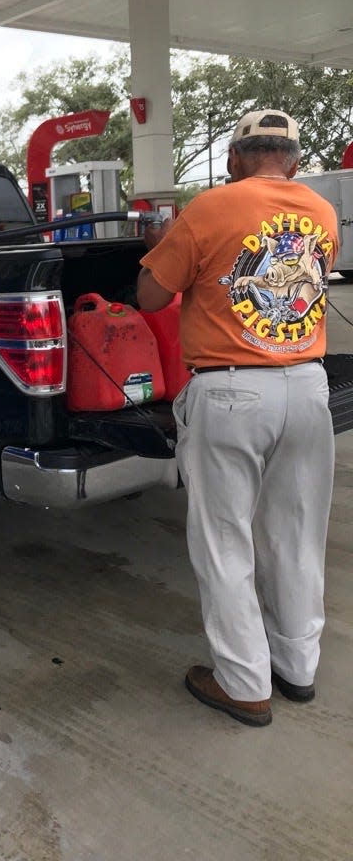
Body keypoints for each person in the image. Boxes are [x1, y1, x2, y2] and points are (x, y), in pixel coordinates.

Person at [137, 110, 339, 727]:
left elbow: (149, 296)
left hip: (231, 394)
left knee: (226, 543)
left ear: (233, 160)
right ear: (295, 161)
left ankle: (245, 684)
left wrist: (159, 250)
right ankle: (297, 669)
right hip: (307, 388)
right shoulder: (323, 213)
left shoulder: (209, 210)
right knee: (297, 536)